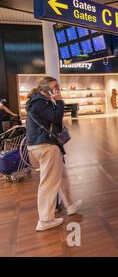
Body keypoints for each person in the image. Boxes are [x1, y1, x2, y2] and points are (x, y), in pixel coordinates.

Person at [26, 77, 82, 232]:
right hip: (45, 146)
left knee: (62, 176)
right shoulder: (39, 102)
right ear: (45, 88)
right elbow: (56, 118)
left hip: (45, 144)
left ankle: (70, 205)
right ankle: (45, 220)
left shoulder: (39, 101)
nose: (58, 88)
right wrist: (59, 101)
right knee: (48, 183)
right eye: (55, 86)